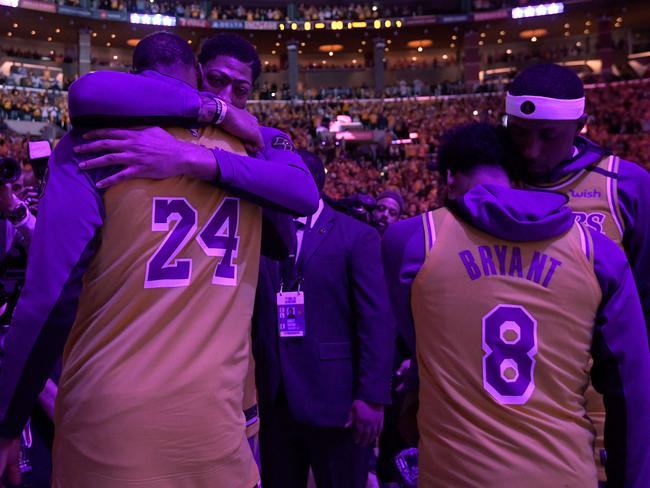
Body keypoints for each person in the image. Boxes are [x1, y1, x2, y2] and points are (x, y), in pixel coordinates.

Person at [0, 32, 318, 488]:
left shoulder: (97, 142)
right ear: (194, 77)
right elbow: (285, 233)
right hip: (217, 433)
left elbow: (48, 299)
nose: (226, 97)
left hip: (111, 434)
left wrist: (9, 421)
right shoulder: (253, 159)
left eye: (240, 91)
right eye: (216, 82)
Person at [382, 123, 650, 487]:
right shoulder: (597, 252)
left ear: (448, 177)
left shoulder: (409, 241)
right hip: (564, 471)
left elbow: (417, 339)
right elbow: (632, 388)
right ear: (521, 177)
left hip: (456, 474)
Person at [504, 63, 650, 483]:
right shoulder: (494, 182)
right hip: (510, 404)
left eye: (548, 135)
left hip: (600, 406)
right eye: (519, 133)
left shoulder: (624, 186)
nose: (531, 150)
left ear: (580, 126)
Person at [252, 150, 394, 488]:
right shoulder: (259, 230)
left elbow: (375, 320)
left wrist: (372, 396)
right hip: (274, 399)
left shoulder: (356, 236)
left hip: (337, 401)